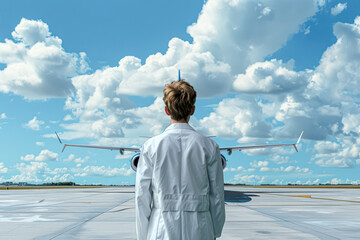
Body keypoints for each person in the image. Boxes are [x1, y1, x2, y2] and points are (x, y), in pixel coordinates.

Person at [135, 80, 225, 240]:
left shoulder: (150, 146)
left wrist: (143, 235)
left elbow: (142, 196)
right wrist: (215, 230)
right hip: (201, 227)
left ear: (166, 111)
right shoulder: (210, 146)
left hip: (160, 228)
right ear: (192, 110)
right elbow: (217, 195)